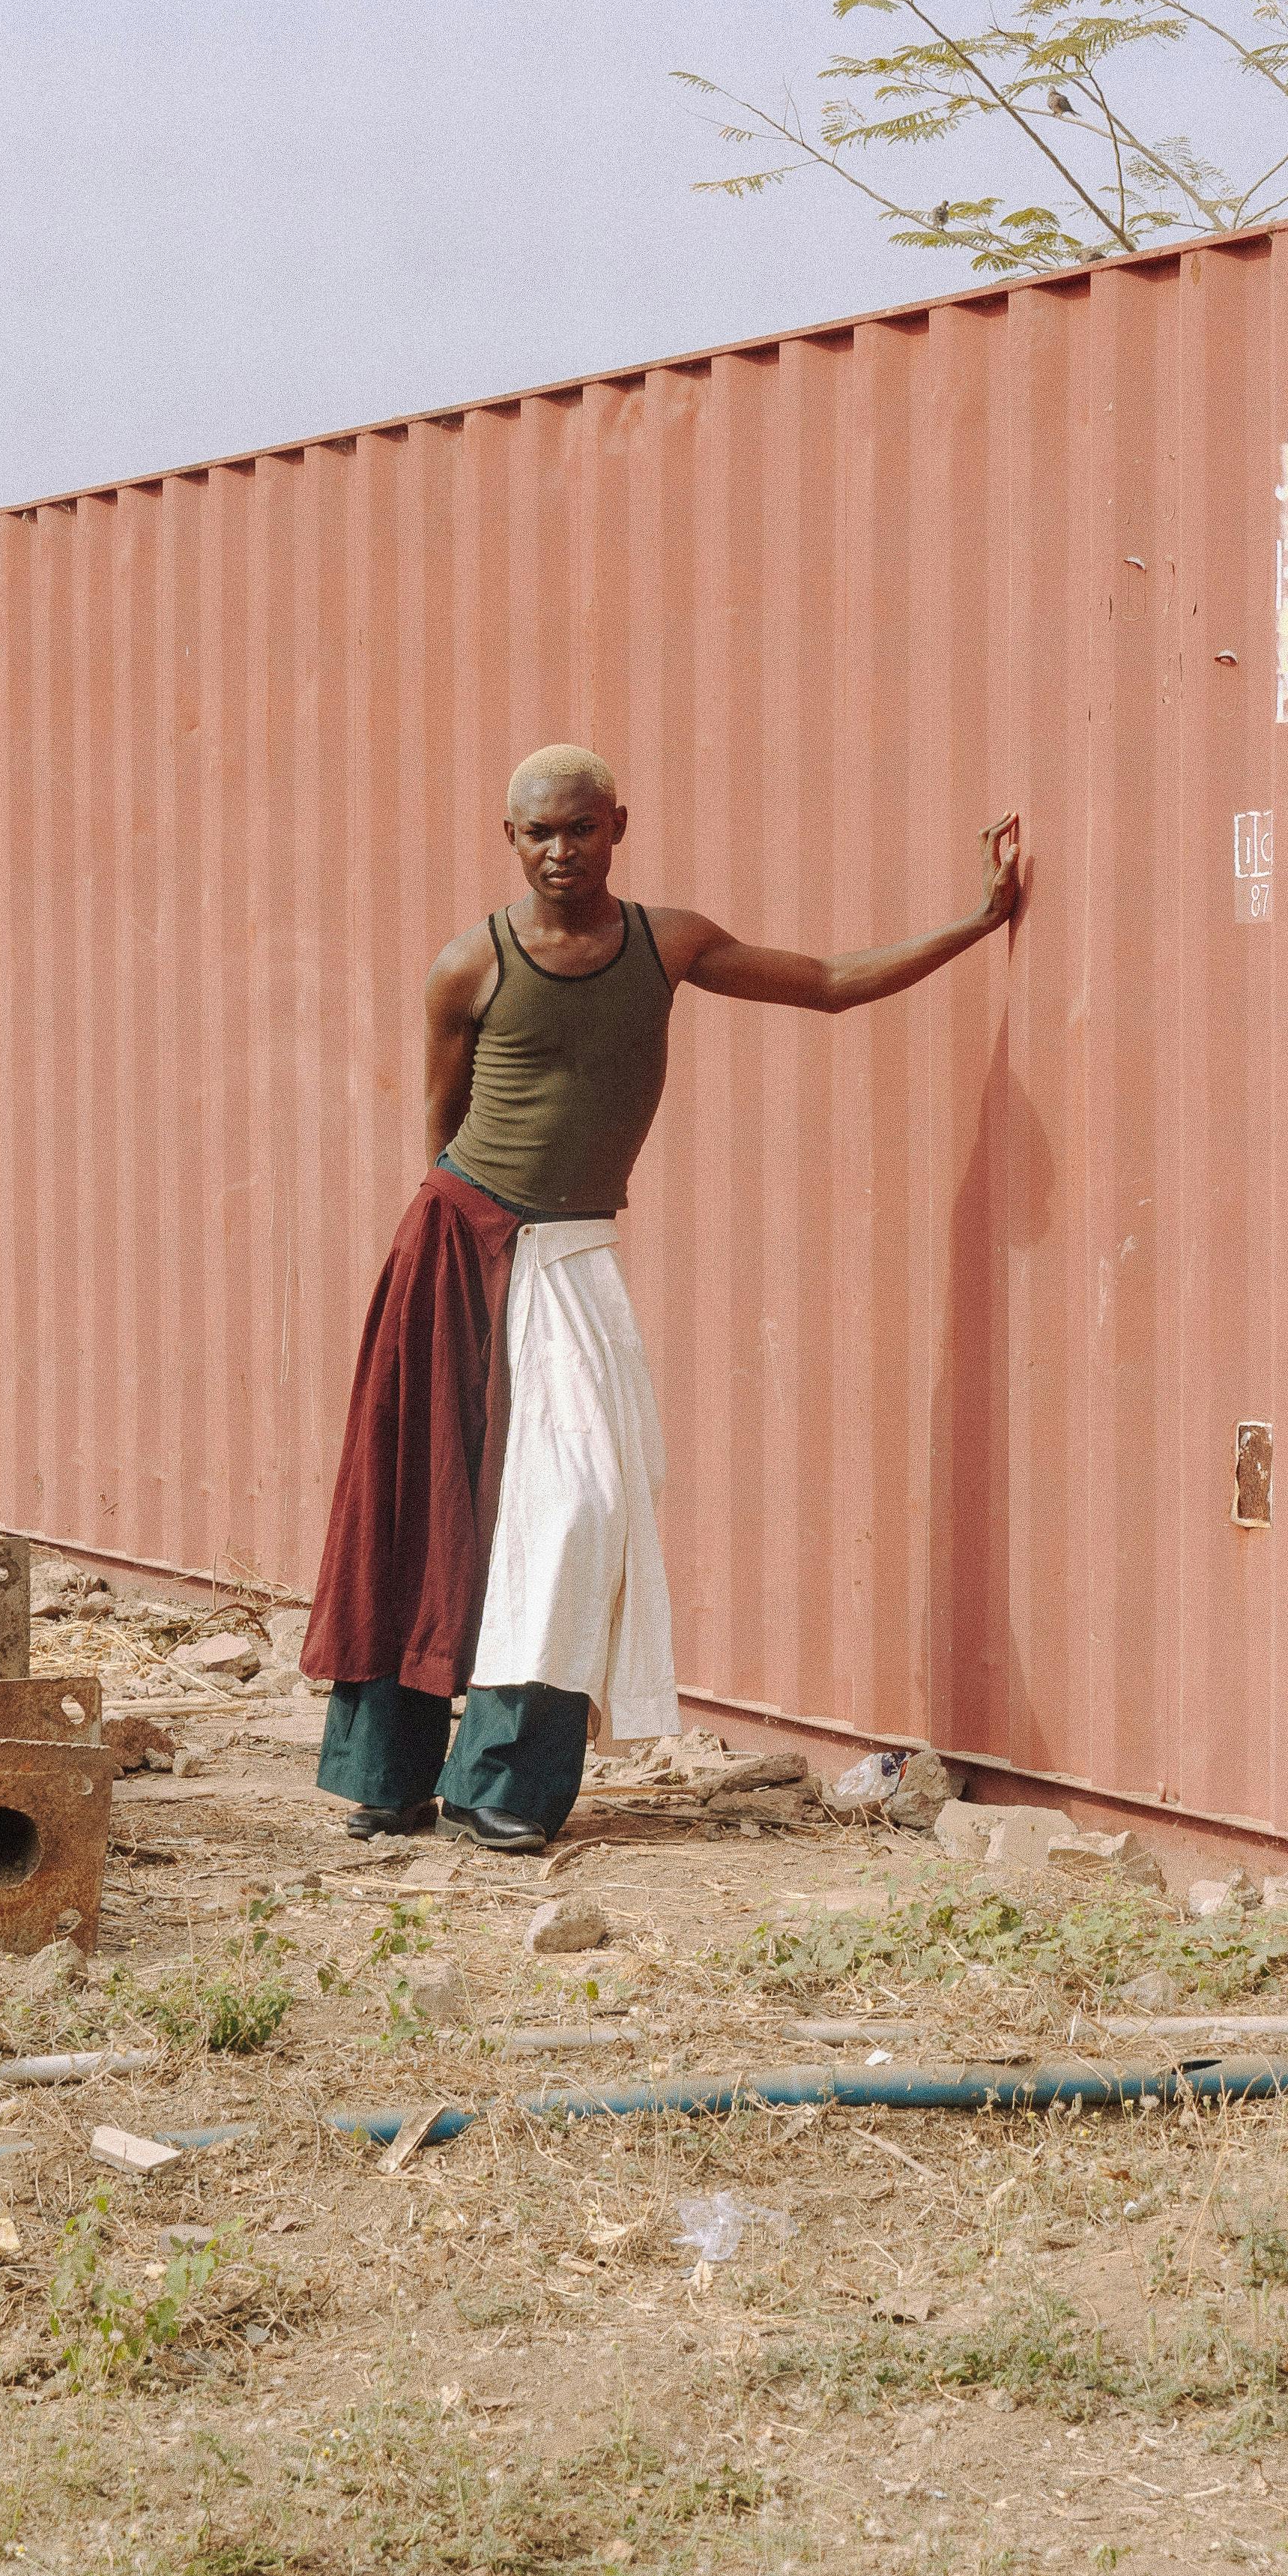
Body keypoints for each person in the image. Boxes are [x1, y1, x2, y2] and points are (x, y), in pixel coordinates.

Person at [304, 744, 1025, 1851]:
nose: (560, 851)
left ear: (619, 825)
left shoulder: (668, 942)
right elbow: (442, 1131)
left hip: (574, 1257)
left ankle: (500, 1784)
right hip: (462, 1247)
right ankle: (386, 1778)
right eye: (538, 832)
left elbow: (827, 984)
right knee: (427, 1510)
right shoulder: (469, 966)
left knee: (580, 1507)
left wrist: (975, 922)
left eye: (580, 828)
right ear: (509, 839)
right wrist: (471, 1250)